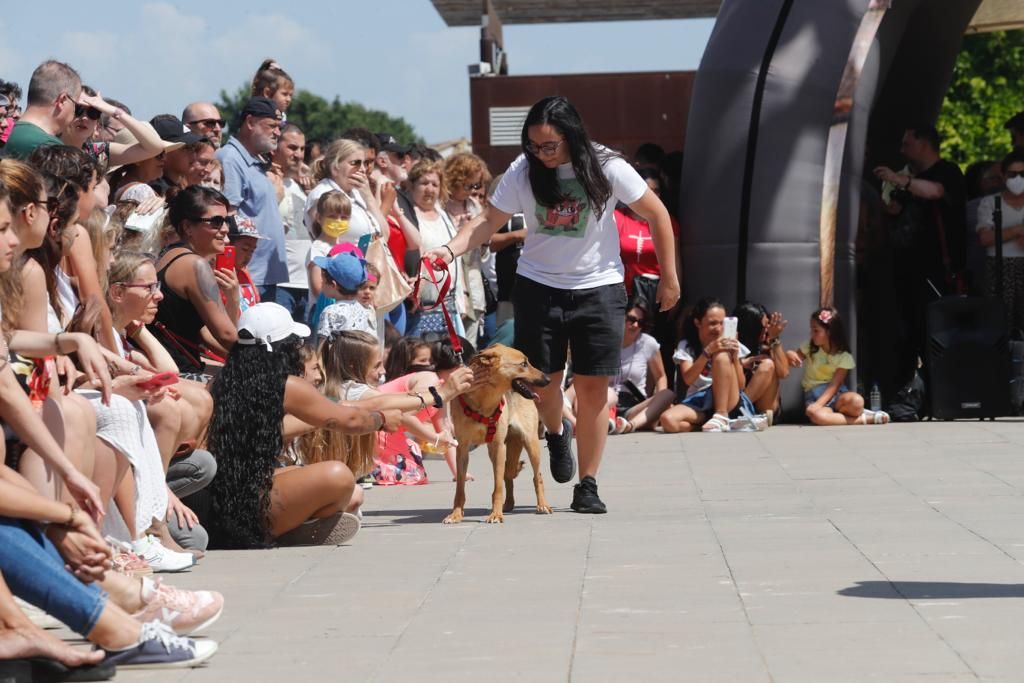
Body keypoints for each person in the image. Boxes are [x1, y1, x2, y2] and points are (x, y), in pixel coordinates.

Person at [424, 96, 679, 514]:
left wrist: (669, 277)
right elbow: (488, 220)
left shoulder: (607, 166)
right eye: (534, 146)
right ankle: (558, 431)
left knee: (594, 388)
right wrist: (448, 251)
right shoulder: (521, 172)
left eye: (551, 147)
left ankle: (588, 484)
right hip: (538, 287)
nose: (542, 155)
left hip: (599, 287)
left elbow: (657, 215)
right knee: (543, 386)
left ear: (572, 137)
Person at [874, 126, 967, 399]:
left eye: (907, 144)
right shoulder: (911, 179)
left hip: (938, 271)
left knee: (936, 332)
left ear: (924, 144)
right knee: (907, 332)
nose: (902, 151)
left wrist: (899, 179)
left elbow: (935, 191)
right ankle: (908, 393)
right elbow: (895, 209)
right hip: (905, 270)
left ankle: (944, 392)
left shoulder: (947, 172)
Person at [148, 186, 238, 379]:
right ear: (188, 227)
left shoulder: (169, 255)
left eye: (226, 220)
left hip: (174, 367)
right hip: (179, 374)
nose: (225, 229)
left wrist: (233, 297)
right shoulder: (194, 264)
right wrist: (268, 359)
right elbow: (226, 335)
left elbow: (208, 335)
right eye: (216, 222)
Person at [216, 97, 288, 300]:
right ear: (250, 122)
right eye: (272, 126)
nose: (277, 132)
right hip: (249, 276)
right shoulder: (230, 158)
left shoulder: (254, 160)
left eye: (279, 127)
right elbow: (229, 216)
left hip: (263, 276)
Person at [658, 298, 754, 434]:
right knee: (668, 420)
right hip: (699, 400)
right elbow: (688, 379)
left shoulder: (732, 344)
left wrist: (734, 356)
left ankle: (721, 414)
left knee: (721, 356)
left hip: (728, 400)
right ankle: (706, 423)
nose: (718, 328)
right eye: (713, 323)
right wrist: (707, 352)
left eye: (722, 323)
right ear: (698, 323)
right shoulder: (687, 346)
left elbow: (741, 386)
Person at [791, 307, 890, 426]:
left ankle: (845, 415)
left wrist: (817, 405)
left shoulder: (844, 356)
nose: (812, 334)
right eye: (811, 330)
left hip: (836, 395)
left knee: (857, 402)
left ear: (829, 332)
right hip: (814, 395)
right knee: (817, 416)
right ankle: (867, 419)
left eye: (816, 330)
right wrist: (789, 354)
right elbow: (793, 359)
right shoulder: (809, 347)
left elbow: (835, 384)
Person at [406, 160, 464, 338]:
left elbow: (456, 262)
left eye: (434, 184)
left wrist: (461, 301)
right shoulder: (410, 215)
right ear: (412, 185)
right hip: (421, 307)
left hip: (449, 305)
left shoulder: (444, 216)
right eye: (424, 183)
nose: (430, 189)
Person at [606, 301, 675, 434]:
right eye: (631, 319)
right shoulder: (606, 341)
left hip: (634, 406)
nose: (636, 325)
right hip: (607, 402)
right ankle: (611, 420)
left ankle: (630, 425)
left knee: (667, 394)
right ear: (621, 317)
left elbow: (660, 376)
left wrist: (659, 402)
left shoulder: (648, 343)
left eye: (641, 323)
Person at [976, 149, 1024, 336]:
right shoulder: (990, 203)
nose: (1018, 179)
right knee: (999, 326)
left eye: (1023, 174)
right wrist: (1018, 230)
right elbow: (985, 238)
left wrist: (1003, 233)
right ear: (1003, 176)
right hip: (999, 268)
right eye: (1013, 174)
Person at [270, 123, 311, 321]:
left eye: (302, 149)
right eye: (292, 148)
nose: (299, 154)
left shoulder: (300, 185)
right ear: (275, 146)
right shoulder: (266, 181)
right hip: (279, 284)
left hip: (306, 283)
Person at [1, 61, 80, 159]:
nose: (75, 112)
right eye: (76, 105)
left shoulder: (6, 135)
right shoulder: (51, 149)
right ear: (62, 100)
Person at [733, 301, 790, 415]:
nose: (767, 329)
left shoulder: (768, 346)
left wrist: (774, 338)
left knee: (768, 364)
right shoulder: (733, 345)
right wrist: (741, 363)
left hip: (765, 409)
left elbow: (784, 372)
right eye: (763, 326)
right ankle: (741, 410)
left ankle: (740, 410)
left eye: (768, 325)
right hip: (734, 399)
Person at [315, 251, 375, 340]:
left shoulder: (330, 313)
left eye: (323, 281)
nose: (321, 283)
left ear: (333, 285)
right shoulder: (364, 310)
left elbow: (322, 348)